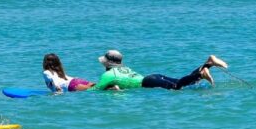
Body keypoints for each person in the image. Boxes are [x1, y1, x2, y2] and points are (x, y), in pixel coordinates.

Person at [93, 50, 227, 91]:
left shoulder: (108, 75)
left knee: (176, 87)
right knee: (183, 82)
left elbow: (95, 90)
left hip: (147, 82)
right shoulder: (125, 69)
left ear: (107, 63)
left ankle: (201, 73)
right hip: (153, 76)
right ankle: (208, 63)